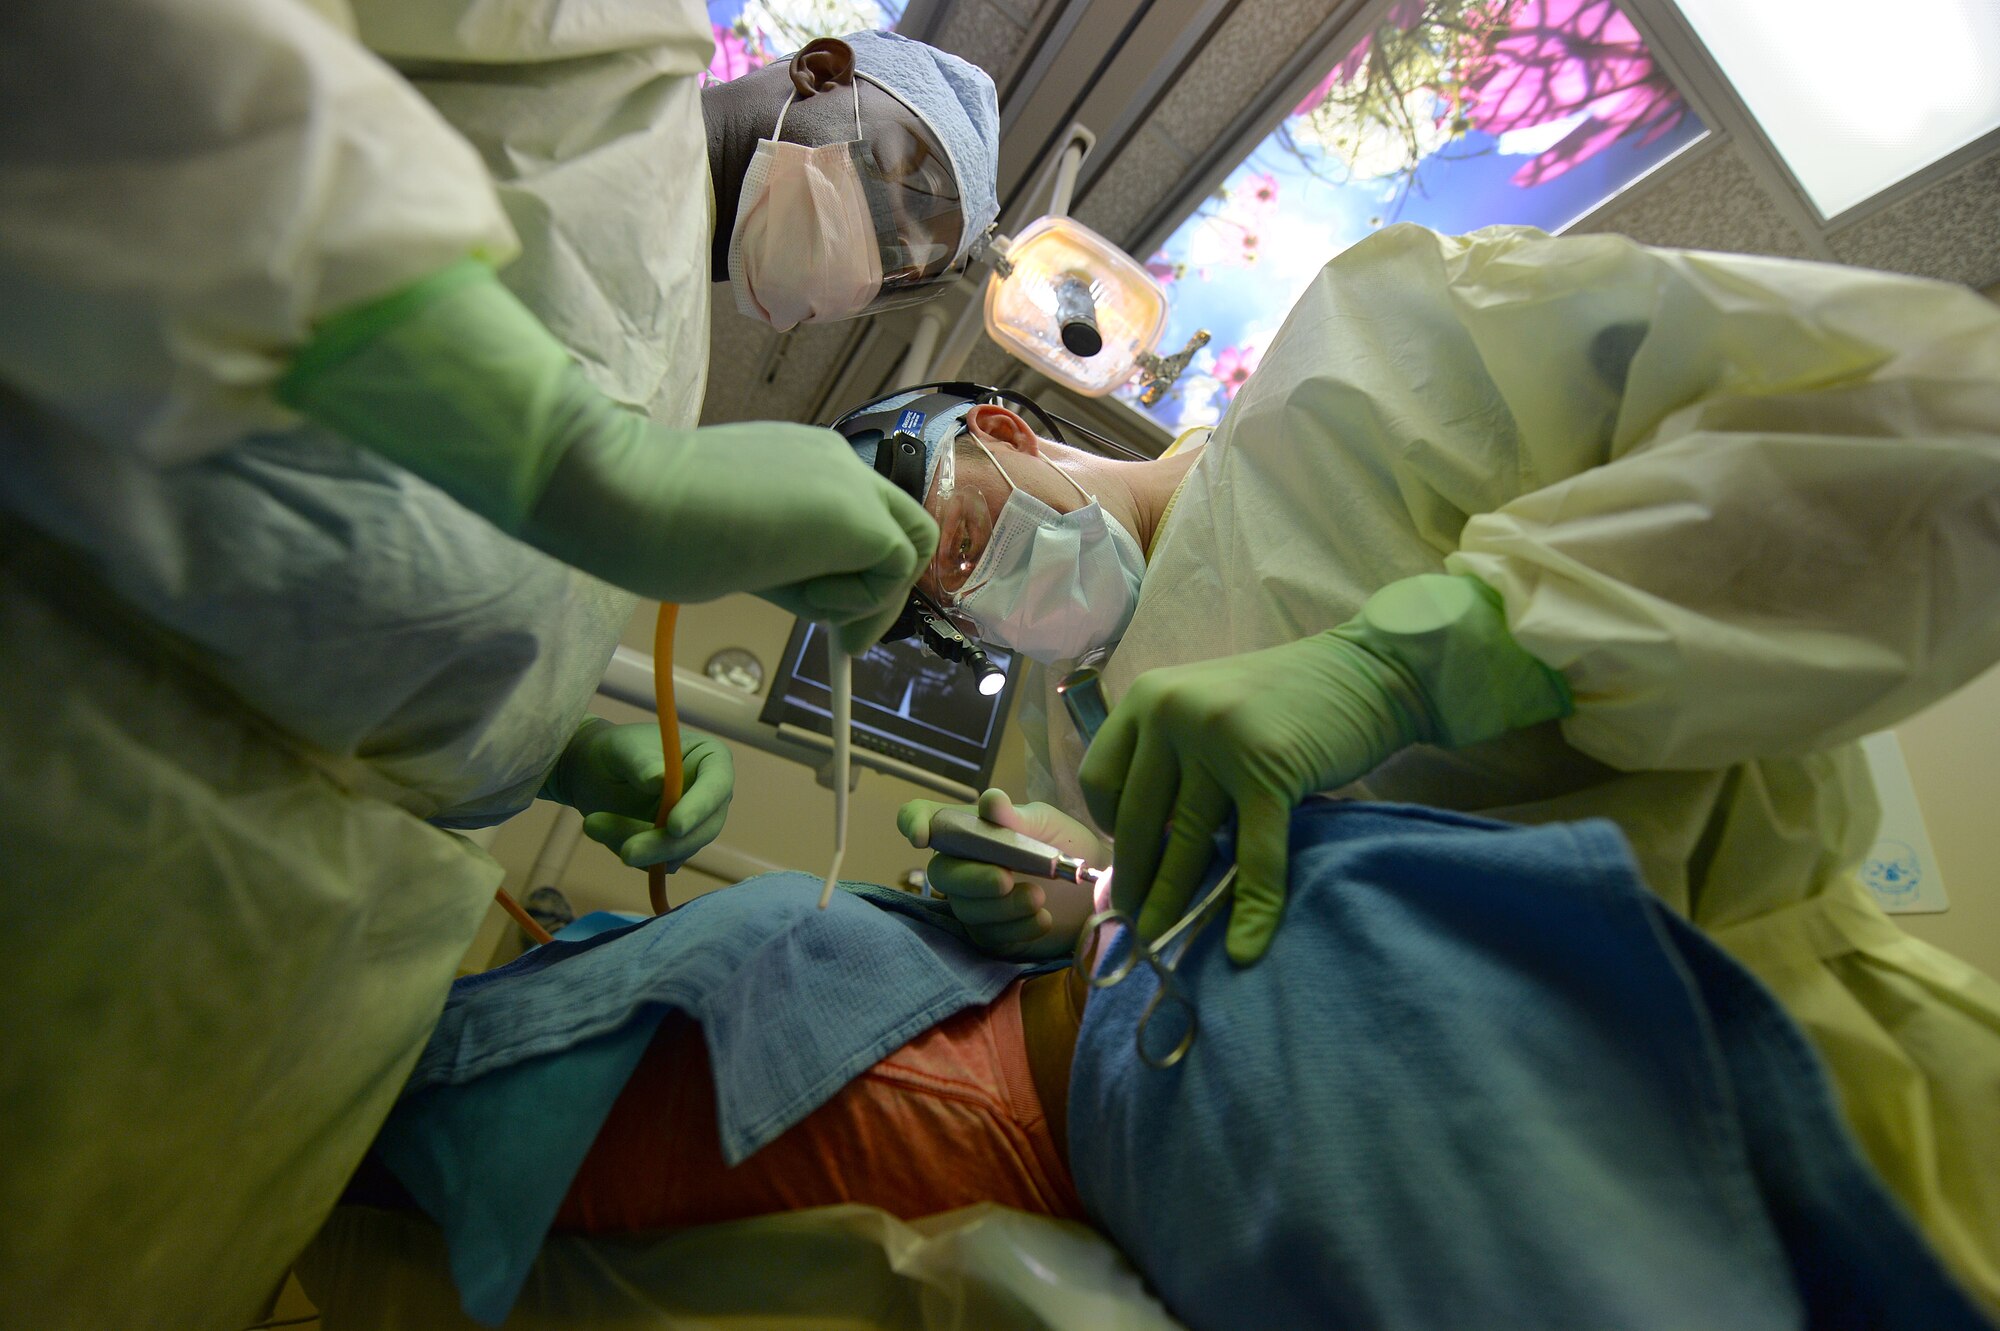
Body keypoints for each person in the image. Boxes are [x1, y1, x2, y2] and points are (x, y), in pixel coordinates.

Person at [0, 4, 997, 1326]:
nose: (889, 240)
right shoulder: (594, 43)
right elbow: (125, 61)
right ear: (818, 73)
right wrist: (571, 462)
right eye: (900, 175)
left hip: (241, 998)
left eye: (922, 257)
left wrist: (555, 750)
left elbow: (411, 578)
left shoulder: (670, 366)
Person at [844, 223, 2000, 1310]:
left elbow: (1937, 416)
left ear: (997, 431)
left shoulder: (1355, 370)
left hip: (1758, 1069)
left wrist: (1436, 651)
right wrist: (1077, 898)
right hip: (1432, 1216)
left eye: (945, 536)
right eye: (937, 612)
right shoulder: (1074, 735)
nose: (963, 595)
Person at [315, 791, 1990, 1329]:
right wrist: (1090, 906)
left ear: (1025, 437)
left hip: (1016, 1078)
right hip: (979, 1040)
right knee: (410, 1110)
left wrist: (1100, 919)